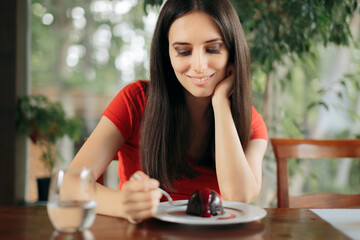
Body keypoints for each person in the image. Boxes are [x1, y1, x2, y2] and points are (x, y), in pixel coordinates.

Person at [69, 0, 268, 223]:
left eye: (212, 49)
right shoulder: (135, 101)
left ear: (232, 53)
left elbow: (238, 197)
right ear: (167, 55)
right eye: (184, 52)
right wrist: (122, 205)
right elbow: (70, 185)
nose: (199, 65)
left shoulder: (251, 122)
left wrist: (221, 103)